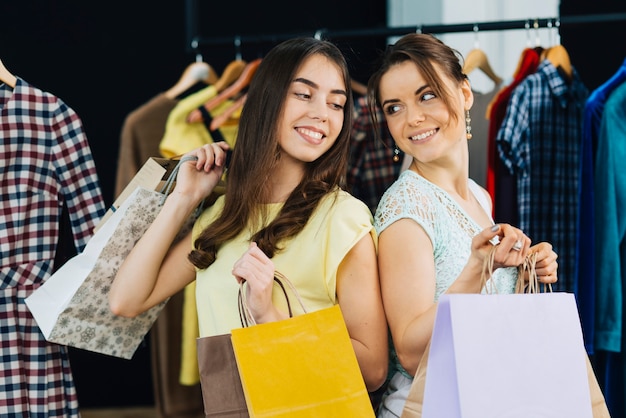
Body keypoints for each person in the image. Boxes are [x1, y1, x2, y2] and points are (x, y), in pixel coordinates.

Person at [109, 37, 389, 394]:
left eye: (337, 103)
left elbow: (373, 368)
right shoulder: (221, 218)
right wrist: (185, 196)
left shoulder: (343, 217)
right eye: (304, 94)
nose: (322, 112)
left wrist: (271, 319)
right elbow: (126, 301)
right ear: (265, 100)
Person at [365, 33, 559, 417]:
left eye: (427, 95)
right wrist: (477, 268)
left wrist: (526, 272)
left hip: (485, 397)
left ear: (465, 94)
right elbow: (410, 351)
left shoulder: (478, 197)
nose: (413, 118)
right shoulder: (406, 205)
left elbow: (485, 320)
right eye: (394, 108)